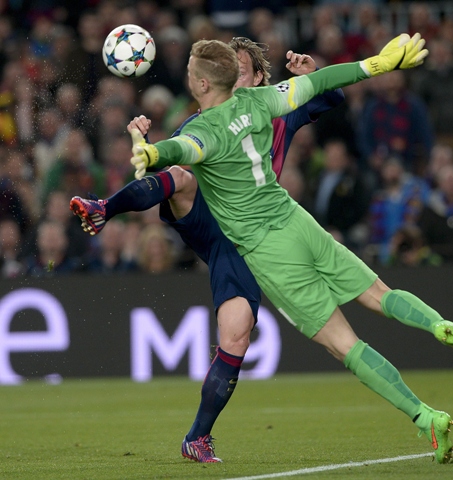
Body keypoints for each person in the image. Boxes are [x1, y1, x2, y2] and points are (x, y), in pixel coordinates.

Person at [128, 35, 453, 465]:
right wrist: (378, 64)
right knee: (379, 294)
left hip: (267, 249)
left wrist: (149, 149)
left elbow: (178, 152)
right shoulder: (262, 101)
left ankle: (424, 415)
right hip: (297, 220)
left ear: (200, 85)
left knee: (345, 345)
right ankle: (440, 325)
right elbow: (322, 79)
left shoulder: (202, 130)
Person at [70, 37, 345, 463]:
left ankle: (197, 437)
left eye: (241, 68)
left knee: (236, 333)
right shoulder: (200, 125)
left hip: (247, 239)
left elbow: (335, 98)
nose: (231, 74)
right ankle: (104, 208)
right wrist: (144, 142)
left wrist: (312, 74)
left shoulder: (277, 108)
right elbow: (161, 163)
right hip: (207, 218)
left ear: (257, 78)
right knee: (181, 176)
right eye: (225, 67)